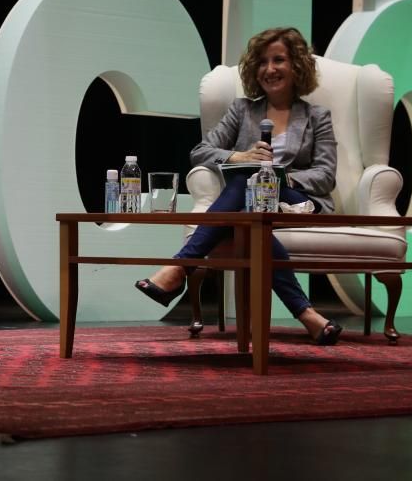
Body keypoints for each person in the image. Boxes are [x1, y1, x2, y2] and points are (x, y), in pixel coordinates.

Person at [135, 27, 344, 345]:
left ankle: (180, 268)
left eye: (279, 60)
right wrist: (239, 155)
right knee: (247, 189)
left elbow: (325, 175)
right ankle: (308, 315)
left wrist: (277, 175)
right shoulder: (242, 110)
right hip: (251, 205)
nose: (269, 69)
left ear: (297, 65)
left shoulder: (316, 116)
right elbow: (200, 152)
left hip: (296, 199)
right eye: (262, 61)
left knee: (250, 181)